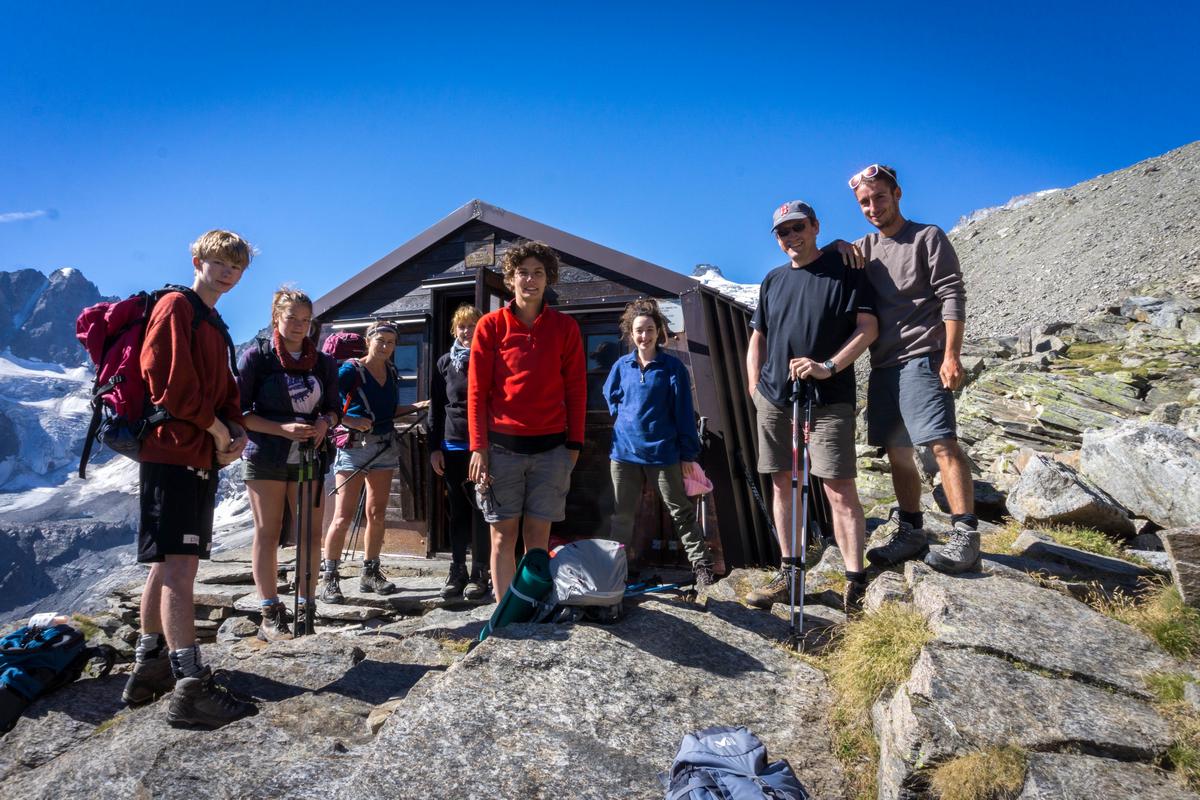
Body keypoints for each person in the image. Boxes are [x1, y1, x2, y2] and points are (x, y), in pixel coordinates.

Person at [122, 229, 256, 728]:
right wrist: (220, 430)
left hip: (195, 452)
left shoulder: (212, 320)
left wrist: (233, 432)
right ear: (197, 259)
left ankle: (149, 664)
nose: (228, 272)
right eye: (220, 261)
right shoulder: (177, 307)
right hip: (174, 453)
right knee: (181, 566)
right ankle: (190, 685)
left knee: (166, 562)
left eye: (237, 266)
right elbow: (168, 385)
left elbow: (221, 390)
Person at [744, 201, 878, 613]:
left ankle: (856, 582)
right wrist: (755, 387)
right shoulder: (772, 280)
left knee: (837, 487)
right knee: (781, 481)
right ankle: (788, 571)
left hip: (829, 397)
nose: (790, 237)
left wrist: (828, 366)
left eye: (797, 227)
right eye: (782, 232)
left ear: (816, 226)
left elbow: (868, 327)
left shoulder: (847, 269)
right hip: (776, 398)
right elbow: (758, 337)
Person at [846, 164, 978, 574]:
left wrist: (951, 355)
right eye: (864, 202)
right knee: (898, 453)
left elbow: (952, 296)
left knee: (940, 445)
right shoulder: (863, 248)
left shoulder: (927, 237)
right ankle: (912, 531)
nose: (872, 207)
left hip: (924, 356)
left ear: (897, 194)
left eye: (879, 198)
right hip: (884, 365)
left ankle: (966, 536)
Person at [467, 240, 586, 601]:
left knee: (538, 538)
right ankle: (504, 616)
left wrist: (574, 444)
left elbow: (577, 389)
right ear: (510, 279)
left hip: (552, 452)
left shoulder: (565, 328)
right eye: (523, 273)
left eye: (538, 273)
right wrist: (478, 447)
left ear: (547, 279)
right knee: (503, 536)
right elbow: (475, 391)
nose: (530, 281)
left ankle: (531, 608)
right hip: (501, 451)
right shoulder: (490, 326)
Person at [237, 288, 340, 640]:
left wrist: (325, 423)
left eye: (305, 320)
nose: (299, 326)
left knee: (311, 534)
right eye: (291, 318)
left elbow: (334, 406)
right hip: (265, 454)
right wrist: (281, 428)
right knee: (268, 532)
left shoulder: (323, 362)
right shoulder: (258, 358)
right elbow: (239, 412)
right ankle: (270, 611)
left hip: (310, 455)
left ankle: (305, 606)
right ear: (275, 318)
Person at [603, 298, 717, 589]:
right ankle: (617, 570)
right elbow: (610, 394)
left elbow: (682, 412)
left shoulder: (671, 368)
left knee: (680, 510)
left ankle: (702, 567)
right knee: (622, 515)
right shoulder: (622, 366)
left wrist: (688, 454)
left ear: (658, 331)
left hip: (663, 452)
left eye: (650, 329)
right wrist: (623, 417)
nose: (645, 336)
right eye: (639, 330)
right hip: (624, 453)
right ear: (631, 333)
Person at [319, 321, 427, 602]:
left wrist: (417, 407)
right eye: (381, 341)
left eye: (391, 343)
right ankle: (329, 578)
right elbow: (325, 407)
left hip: (383, 445)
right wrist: (350, 420)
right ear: (368, 341)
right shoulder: (349, 371)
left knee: (377, 514)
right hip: (354, 447)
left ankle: (370, 572)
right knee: (342, 515)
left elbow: (389, 411)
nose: (386, 347)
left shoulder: (390, 372)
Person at [430, 304, 492, 601]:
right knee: (457, 513)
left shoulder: (490, 357)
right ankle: (457, 570)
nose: (467, 331)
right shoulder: (444, 363)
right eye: (462, 326)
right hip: (452, 446)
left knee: (482, 510)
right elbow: (436, 408)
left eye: (473, 325)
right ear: (454, 330)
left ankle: (480, 572)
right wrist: (434, 448)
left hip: (481, 447)